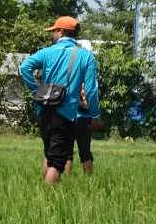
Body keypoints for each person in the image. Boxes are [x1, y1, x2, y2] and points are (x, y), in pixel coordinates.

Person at [19, 17, 101, 185]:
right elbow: (91, 90)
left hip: (43, 110)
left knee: (49, 154)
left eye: (54, 31)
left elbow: (24, 67)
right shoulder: (86, 57)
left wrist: (36, 91)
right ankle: (48, 198)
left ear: (61, 32)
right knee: (57, 162)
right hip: (66, 113)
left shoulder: (46, 52)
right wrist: (95, 116)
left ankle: (43, 193)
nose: (53, 35)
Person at [71, 82, 96, 175]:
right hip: (87, 119)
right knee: (85, 152)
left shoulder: (73, 78)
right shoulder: (90, 81)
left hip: (71, 117)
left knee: (67, 153)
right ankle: (89, 179)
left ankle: (66, 179)